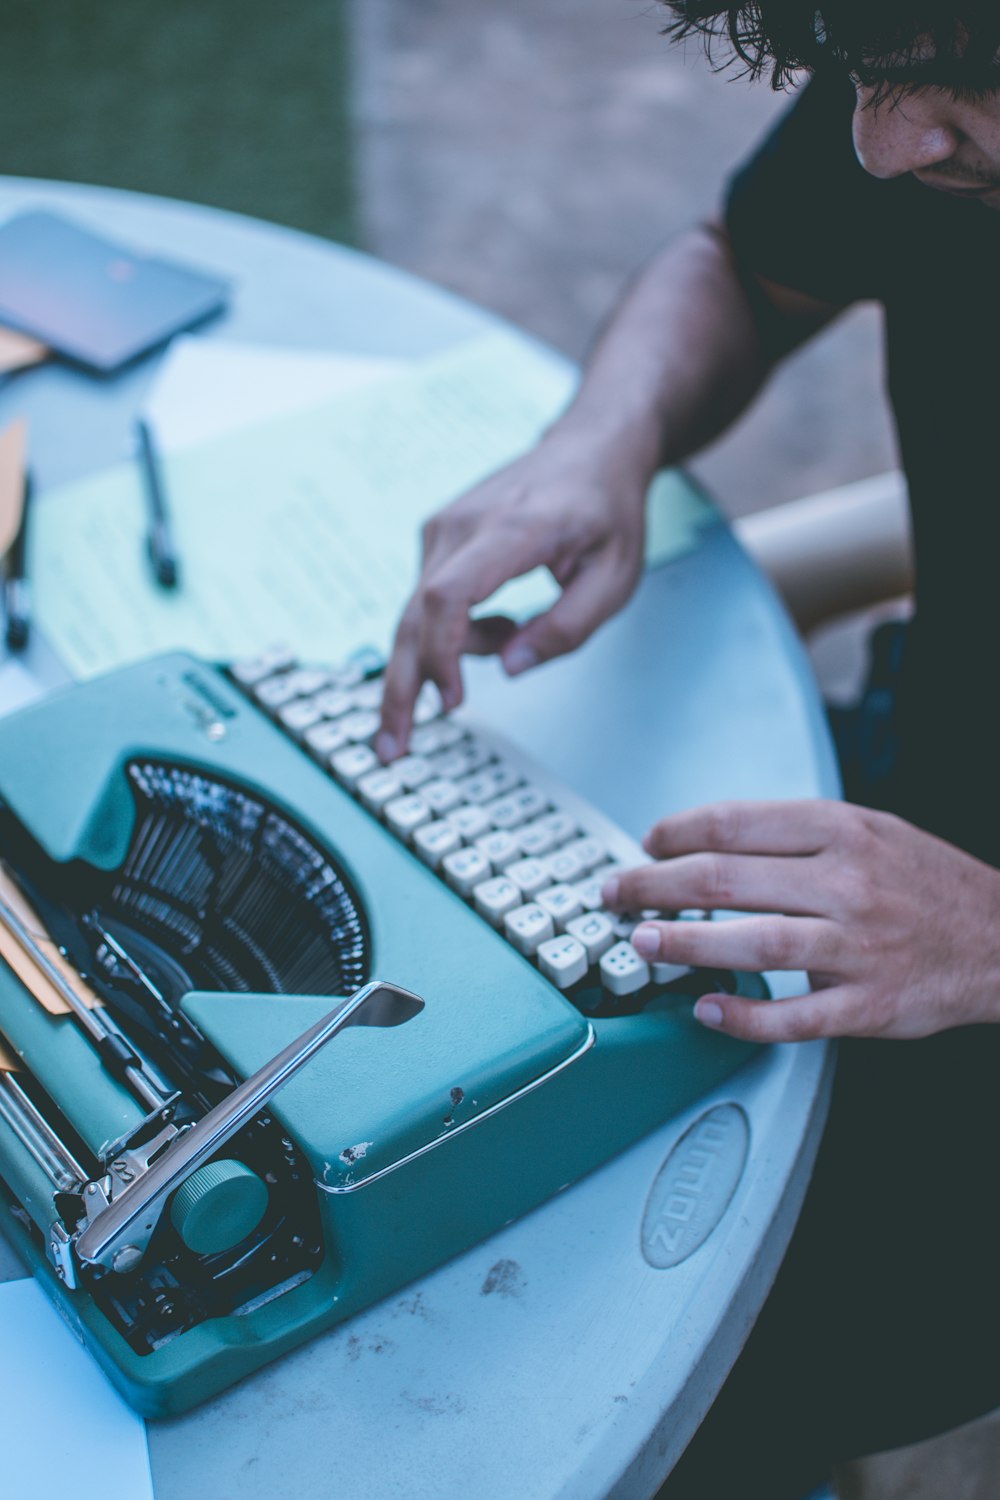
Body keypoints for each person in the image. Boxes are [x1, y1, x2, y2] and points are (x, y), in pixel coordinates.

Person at [377, 2, 1000, 1492]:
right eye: (862, 77)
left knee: (544, 1388)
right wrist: (608, 430)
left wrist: (982, 933)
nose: (881, 143)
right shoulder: (932, 91)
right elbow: (741, 262)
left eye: (955, 90)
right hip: (900, 796)